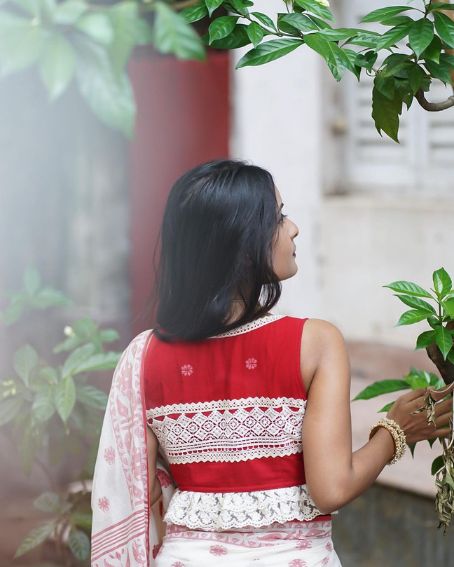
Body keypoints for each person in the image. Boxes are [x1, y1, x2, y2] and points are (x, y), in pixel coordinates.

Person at [91, 160, 453, 567]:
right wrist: (396, 430)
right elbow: (330, 488)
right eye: (279, 217)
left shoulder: (142, 358)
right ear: (242, 240)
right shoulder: (315, 343)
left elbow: (131, 494)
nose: (293, 227)